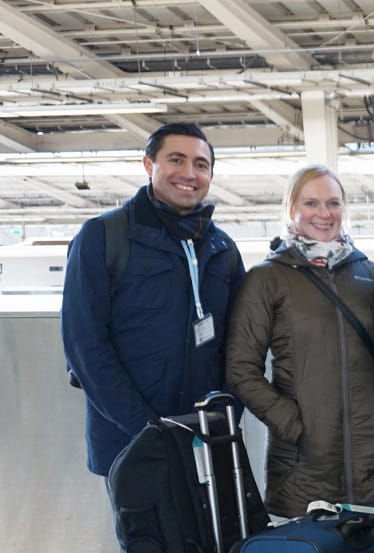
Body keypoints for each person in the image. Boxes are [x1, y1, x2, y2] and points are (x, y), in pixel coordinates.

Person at [62, 122, 247, 481]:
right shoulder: (104, 237)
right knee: (146, 536)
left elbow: (239, 344)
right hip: (130, 439)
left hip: (207, 437)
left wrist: (227, 413)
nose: (189, 173)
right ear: (149, 165)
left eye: (201, 164)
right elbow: (84, 345)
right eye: (176, 160)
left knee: (212, 536)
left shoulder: (221, 248)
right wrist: (146, 428)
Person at [225, 165, 374, 519]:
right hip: (300, 471)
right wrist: (295, 426)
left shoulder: (370, 275)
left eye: (333, 203)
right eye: (311, 203)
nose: (324, 214)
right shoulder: (267, 279)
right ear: (291, 210)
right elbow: (241, 369)